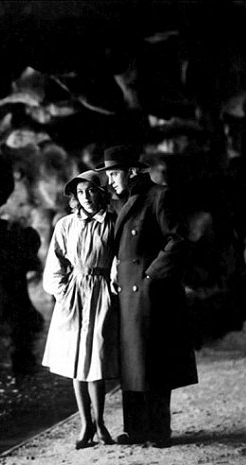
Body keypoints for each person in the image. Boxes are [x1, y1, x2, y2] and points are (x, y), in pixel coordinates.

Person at [96, 145, 198, 448]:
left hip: (153, 293)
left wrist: (152, 275)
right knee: (132, 361)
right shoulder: (120, 203)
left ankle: (158, 431)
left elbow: (179, 240)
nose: (111, 180)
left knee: (154, 361)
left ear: (131, 172)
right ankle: (135, 429)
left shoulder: (159, 196)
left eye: (114, 173)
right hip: (127, 294)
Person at [42, 169, 119, 450]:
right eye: (80, 192)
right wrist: (63, 292)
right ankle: (85, 423)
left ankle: (100, 424)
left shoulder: (112, 223)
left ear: (101, 193)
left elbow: (118, 260)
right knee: (77, 361)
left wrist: (113, 288)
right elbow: (55, 262)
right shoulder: (65, 225)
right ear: (75, 197)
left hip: (101, 294)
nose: (86, 197)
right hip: (74, 294)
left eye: (91, 191)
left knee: (95, 360)